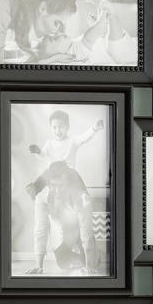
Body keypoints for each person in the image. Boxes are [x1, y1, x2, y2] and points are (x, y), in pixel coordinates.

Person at [24, 109, 102, 273]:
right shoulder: (50, 143)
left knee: (67, 174)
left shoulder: (72, 141)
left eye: (61, 127)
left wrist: (94, 128)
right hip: (52, 174)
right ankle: (35, 187)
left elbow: (84, 138)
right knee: (48, 171)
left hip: (69, 175)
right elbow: (44, 155)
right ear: (51, 128)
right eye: (54, 127)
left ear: (67, 127)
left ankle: (88, 260)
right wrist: (38, 151)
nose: (58, 130)